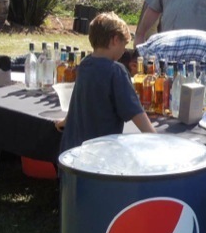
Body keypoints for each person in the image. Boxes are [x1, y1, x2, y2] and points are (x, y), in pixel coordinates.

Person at [55, 12, 156, 154]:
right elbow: (136, 113)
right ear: (115, 39)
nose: (124, 50)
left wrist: (65, 121)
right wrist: (156, 138)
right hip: (98, 156)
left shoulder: (84, 64)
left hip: (71, 153)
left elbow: (78, 100)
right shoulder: (116, 71)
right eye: (124, 44)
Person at [128, 28, 206, 102]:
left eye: (133, 78)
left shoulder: (155, 58)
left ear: (134, 65)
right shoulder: (152, 43)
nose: (137, 82)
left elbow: (164, 94)